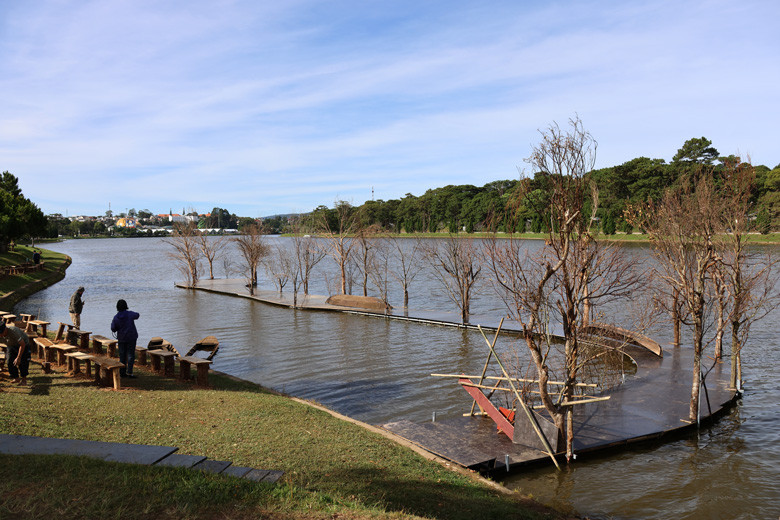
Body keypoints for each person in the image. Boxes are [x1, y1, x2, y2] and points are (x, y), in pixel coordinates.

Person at [111, 299, 139, 378]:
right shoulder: (130, 314)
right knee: (131, 355)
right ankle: (130, 373)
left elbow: (113, 328)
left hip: (122, 338)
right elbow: (137, 315)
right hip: (131, 337)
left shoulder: (116, 317)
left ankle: (122, 372)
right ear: (126, 306)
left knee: (122, 355)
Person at [0, 321, 32, 386]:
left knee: (22, 362)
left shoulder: (13, 332)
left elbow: (22, 344)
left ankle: (24, 380)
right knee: (9, 361)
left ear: (5, 329)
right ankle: (16, 378)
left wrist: (18, 357)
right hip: (11, 345)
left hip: (23, 345)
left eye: (1, 333)